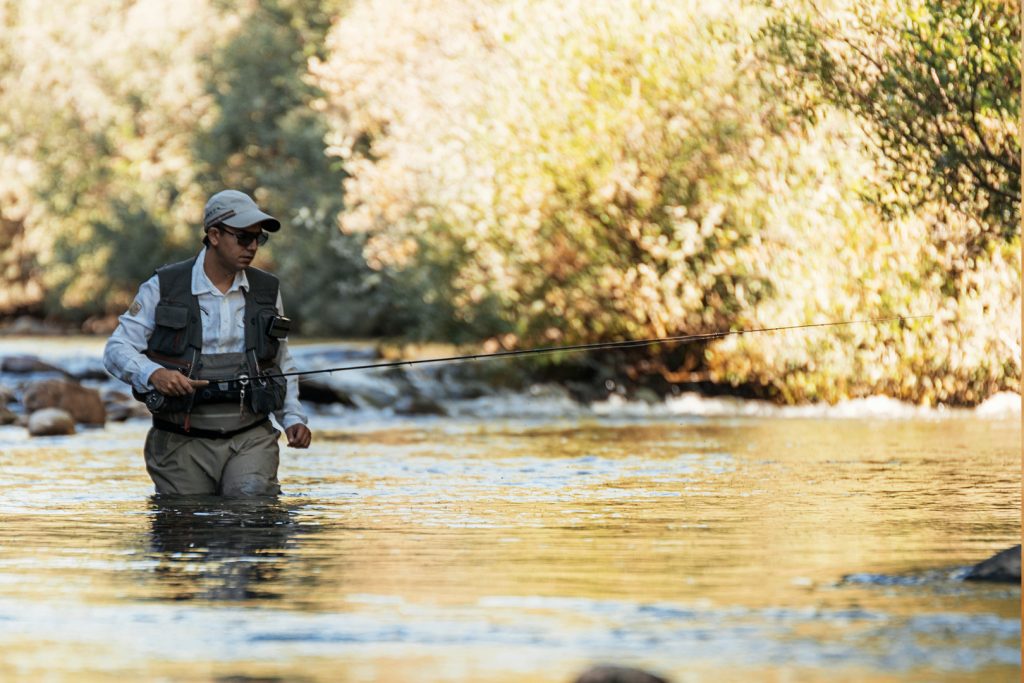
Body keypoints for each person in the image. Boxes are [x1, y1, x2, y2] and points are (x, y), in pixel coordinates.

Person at [104, 189, 312, 497]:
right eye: (243, 237)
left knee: (251, 510)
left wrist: (292, 417)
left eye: (259, 238)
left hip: (250, 436)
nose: (253, 246)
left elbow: (280, 360)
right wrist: (153, 374)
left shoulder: (267, 291)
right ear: (214, 235)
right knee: (187, 525)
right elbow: (116, 349)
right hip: (179, 440)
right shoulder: (163, 286)